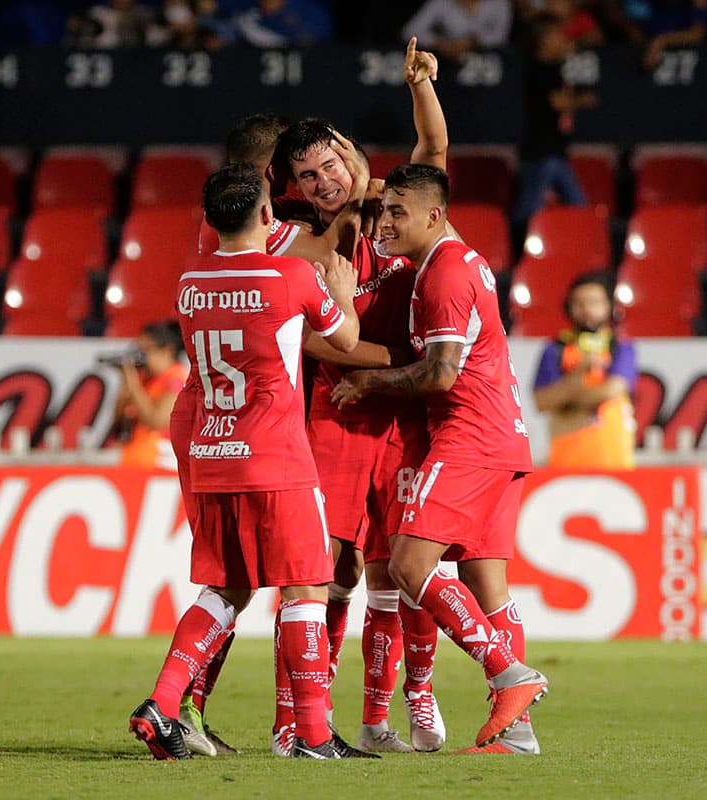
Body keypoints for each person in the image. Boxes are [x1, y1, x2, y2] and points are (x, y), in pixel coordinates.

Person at [128, 161, 377, 761]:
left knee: (225, 589)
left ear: (211, 220)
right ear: (268, 214)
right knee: (306, 585)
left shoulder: (190, 283)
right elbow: (345, 340)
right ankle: (312, 735)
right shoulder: (291, 275)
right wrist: (344, 294)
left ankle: (163, 702)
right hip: (276, 455)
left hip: (213, 452)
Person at [270, 39, 452, 756]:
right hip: (338, 416)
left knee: (396, 569)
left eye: (329, 164)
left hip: (406, 416)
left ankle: (388, 713)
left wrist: (421, 86)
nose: (323, 181)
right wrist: (405, 358)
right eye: (307, 176)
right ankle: (298, 720)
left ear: (349, 153)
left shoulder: (398, 210)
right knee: (321, 569)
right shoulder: (303, 249)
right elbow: (321, 347)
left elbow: (433, 148)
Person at [331, 164, 549, 754]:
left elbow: (440, 373)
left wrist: (369, 383)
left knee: (408, 565)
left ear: (433, 215)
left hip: (469, 436)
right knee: (487, 585)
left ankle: (509, 673)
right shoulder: (455, 259)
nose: (385, 222)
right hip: (504, 437)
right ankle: (517, 733)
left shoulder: (445, 274)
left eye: (397, 212)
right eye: (384, 210)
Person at [532, 272, 637, 470]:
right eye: (580, 303)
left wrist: (567, 402)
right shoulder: (555, 348)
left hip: (613, 461)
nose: (587, 310)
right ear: (569, 307)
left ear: (609, 306)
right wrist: (580, 371)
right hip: (566, 462)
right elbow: (542, 401)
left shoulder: (620, 346)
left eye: (594, 302)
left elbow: (613, 389)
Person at [511, 13, 594, 258]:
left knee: (577, 206)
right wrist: (582, 100)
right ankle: (515, 255)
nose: (563, 39)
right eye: (558, 35)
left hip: (554, 152)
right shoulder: (538, 69)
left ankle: (588, 252)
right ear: (545, 39)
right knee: (530, 208)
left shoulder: (556, 69)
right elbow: (558, 102)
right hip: (539, 153)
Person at [107, 320, 189, 470]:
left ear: (166, 351)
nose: (140, 356)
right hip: (135, 460)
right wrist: (126, 382)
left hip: (161, 463)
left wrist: (134, 386)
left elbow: (156, 421)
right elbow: (118, 422)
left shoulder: (177, 379)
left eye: (145, 351)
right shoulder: (145, 381)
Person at [402, 0, 513, 62]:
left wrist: (474, 41)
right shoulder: (441, 3)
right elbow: (410, 31)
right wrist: (439, 43)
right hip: (447, 67)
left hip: (490, 65)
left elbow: (502, 35)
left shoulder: (499, 3)